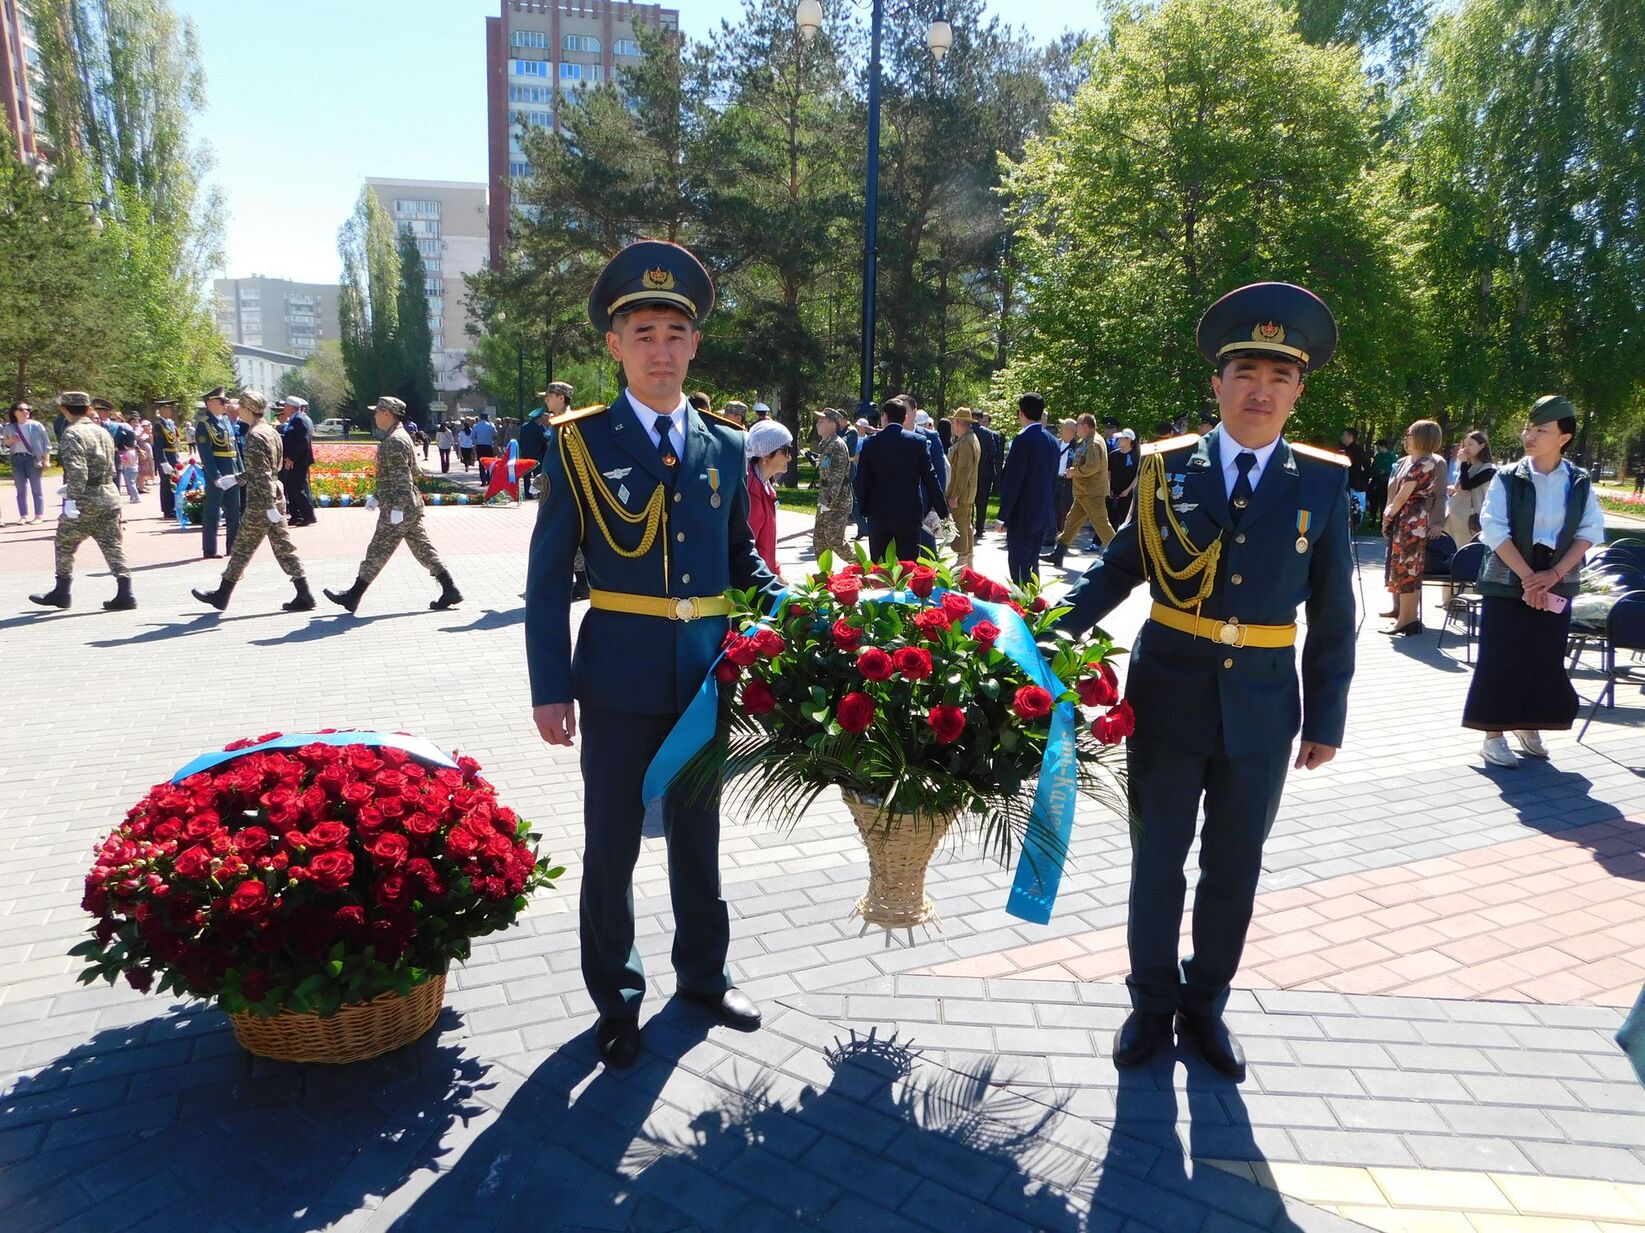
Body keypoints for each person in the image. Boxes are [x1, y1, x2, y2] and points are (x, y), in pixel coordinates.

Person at [1055, 282, 1354, 1081]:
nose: (1260, 390)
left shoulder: (1320, 482)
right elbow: (1116, 572)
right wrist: (1042, 639)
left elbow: (1333, 611)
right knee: (1156, 858)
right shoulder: (1163, 470)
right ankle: (1150, 1004)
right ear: (1216, 384)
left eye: (1279, 376)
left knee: (1234, 866)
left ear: (1297, 391)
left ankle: (1205, 1003)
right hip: (1169, 694)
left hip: (1262, 706)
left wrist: (1326, 715)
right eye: (1245, 372)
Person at [526, 239, 781, 1068]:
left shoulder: (725, 444)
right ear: (614, 345)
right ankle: (617, 996)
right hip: (617, 677)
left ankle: (703, 977)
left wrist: (796, 610)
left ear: (694, 344)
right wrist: (548, 685)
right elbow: (543, 578)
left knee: (699, 836)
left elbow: (741, 558)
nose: (660, 350)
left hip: (704, 676)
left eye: (675, 332)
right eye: (643, 333)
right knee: (612, 844)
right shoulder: (578, 443)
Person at [1464, 396, 1606, 768]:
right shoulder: (1508, 477)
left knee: (1543, 657)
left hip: (1555, 576)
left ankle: (1529, 724)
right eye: (1529, 428)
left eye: (1542, 430)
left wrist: (1553, 576)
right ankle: (1492, 735)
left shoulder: (1578, 481)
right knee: (1499, 656)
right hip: (1510, 574)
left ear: (1564, 437)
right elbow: (1493, 529)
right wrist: (1529, 578)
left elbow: (1590, 531)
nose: (1530, 435)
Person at [324, 396, 462, 613]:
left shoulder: (395, 440)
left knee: (377, 550)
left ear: (387, 413)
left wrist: (397, 508)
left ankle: (353, 596)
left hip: (400, 507)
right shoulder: (399, 436)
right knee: (422, 548)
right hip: (405, 504)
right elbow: (406, 473)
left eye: (377, 411)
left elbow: (402, 477)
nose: (375, 415)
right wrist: (378, 495)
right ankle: (450, 588)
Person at [191, 391, 313, 613]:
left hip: (261, 500)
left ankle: (222, 594)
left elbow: (262, 474)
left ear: (248, 410)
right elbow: (263, 469)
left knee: (242, 548)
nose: (237, 411)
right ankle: (304, 593)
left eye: (241, 408)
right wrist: (236, 480)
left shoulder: (256, 435)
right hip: (274, 493)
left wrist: (267, 506)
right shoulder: (271, 431)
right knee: (283, 547)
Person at [29, 392, 136, 611]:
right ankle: (126, 592)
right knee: (112, 544)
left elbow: (77, 471)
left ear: (65, 410)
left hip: (87, 496)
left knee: (64, 542)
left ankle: (62, 591)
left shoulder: (72, 433)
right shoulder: (102, 431)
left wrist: (71, 499)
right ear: (88, 409)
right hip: (109, 492)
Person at [854, 394, 949, 563]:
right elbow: (931, 478)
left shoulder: (870, 443)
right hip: (909, 513)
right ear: (905, 418)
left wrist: (864, 509)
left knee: (880, 566)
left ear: (884, 417)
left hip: (879, 514)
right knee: (908, 565)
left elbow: (861, 480)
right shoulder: (918, 442)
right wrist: (943, 512)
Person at [1380, 419, 1445, 635]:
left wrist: (1388, 515)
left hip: (1411, 520)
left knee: (1407, 569)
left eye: (1410, 434)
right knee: (1409, 569)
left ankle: (1406, 620)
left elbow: (1402, 496)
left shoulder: (1423, 463)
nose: (1406, 437)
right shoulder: (1416, 461)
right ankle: (1408, 619)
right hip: (1412, 519)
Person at [996, 392, 1060, 585]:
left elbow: (1013, 481)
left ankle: (1022, 607)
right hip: (1043, 513)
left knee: (1018, 564)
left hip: (1022, 514)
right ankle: (1034, 605)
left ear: (1021, 413)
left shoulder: (1022, 440)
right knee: (1032, 564)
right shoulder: (1053, 441)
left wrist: (1002, 516)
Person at [1046, 413, 1115, 567]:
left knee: (1101, 525)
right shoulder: (1088, 441)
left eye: (1077, 425)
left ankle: (1120, 557)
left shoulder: (1094, 443)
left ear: (1085, 426)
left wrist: (1073, 472)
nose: (1076, 428)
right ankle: (1058, 555)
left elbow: (1092, 466)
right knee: (1071, 523)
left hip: (1092, 492)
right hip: (1084, 492)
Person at [195, 388, 242, 558]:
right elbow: (206, 454)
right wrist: (214, 476)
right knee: (213, 512)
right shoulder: (205, 424)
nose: (226, 405)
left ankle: (233, 547)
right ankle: (209, 549)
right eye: (222, 402)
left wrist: (242, 471)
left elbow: (235, 449)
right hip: (219, 474)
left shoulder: (226, 422)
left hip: (232, 472)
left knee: (234, 512)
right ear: (210, 403)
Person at [746, 418, 793, 576]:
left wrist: (776, 570)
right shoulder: (751, 494)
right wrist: (770, 581)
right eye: (786, 451)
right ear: (765, 454)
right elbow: (746, 551)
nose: (790, 458)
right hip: (754, 585)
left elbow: (765, 544)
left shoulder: (764, 486)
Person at [811, 407, 852, 561]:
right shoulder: (826, 444)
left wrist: (826, 503)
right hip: (825, 502)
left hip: (836, 503)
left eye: (823, 420)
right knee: (819, 541)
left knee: (835, 541)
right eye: (818, 420)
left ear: (833, 424)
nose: (818, 423)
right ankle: (824, 577)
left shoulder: (837, 445)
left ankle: (863, 568)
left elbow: (836, 479)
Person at [519, 383, 569, 501]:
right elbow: (544, 442)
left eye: (549, 397)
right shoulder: (547, 426)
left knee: (528, 476)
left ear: (561, 398)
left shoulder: (566, 423)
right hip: (537, 455)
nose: (546, 400)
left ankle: (530, 493)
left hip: (527, 454)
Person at [1445, 430, 1495, 546]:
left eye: (1470, 445)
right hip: (1454, 518)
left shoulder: (1489, 469)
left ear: (1482, 446)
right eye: (1464, 445)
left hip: (1470, 521)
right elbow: (1462, 485)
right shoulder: (1467, 467)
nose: (1466, 448)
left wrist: (1462, 463)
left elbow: (1467, 485)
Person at [945, 407, 981, 569]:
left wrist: (955, 495)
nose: (952, 425)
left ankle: (962, 560)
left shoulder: (966, 442)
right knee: (966, 525)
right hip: (967, 492)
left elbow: (963, 471)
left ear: (959, 423)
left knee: (960, 525)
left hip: (962, 493)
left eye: (954, 422)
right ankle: (968, 561)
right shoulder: (969, 439)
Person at [5, 401, 50, 523]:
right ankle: (23, 516)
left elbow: (46, 445)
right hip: (17, 459)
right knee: (20, 490)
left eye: (27, 409)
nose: (26, 412)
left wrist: (47, 460)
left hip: (33, 459)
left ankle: (38, 516)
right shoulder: (9, 427)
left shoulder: (37, 426)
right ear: (14, 412)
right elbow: (5, 445)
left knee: (36, 488)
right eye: (21, 409)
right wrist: (10, 441)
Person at [278, 396, 317, 526]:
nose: (284, 409)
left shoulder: (299, 420)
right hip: (295, 460)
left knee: (297, 488)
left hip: (298, 461)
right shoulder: (296, 419)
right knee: (292, 487)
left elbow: (303, 442)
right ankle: (295, 516)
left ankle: (308, 516)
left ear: (290, 407)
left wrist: (292, 457)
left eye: (285, 406)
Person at [153, 399, 188, 520]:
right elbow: (158, 445)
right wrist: (163, 462)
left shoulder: (170, 424)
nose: (171, 411)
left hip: (172, 457)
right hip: (166, 457)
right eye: (168, 409)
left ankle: (174, 507)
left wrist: (177, 458)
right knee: (167, 484)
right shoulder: (159, 425)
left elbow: (174, 443)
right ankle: (167, 510)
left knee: (174, 483)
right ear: (162, 410)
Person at [973, 409, 1001, 541]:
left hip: (969, 472)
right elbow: (994, 452)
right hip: (984, 473)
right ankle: (979, 528)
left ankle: (969, 525)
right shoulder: (988, 434)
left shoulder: (967, 432)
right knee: (982, 502)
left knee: (968, 501)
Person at [1051, 418, 1078, 548]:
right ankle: (1052, 534)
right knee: (1052, 508)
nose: (1060, 429)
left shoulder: (1078, 447)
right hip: (1054, 479)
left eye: (1063, 427)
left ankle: (1064, 536)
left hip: (1068, 482)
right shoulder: (1056, 443)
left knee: (1065, 508)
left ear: (1070, 431)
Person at [1340, 427, 1371, 531]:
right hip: (1347, 482)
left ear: (1350, 437)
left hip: (1357, 484)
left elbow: (1361, 468)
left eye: (1344, 435)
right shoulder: (1342, 450)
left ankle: (1355, 525)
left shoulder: (1358, 451)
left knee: (1357, 505)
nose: (1342, 438)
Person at [1108, 428, 1138, 529]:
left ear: (1129, 440)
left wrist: (1128, 490)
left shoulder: (1137, 456)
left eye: (1121, 439)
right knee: (1111, 518)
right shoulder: (1113, 455)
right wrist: (1109, 487)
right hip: (1113, 492)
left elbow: (1137, 475)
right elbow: (1109, 472)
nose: (1118, 441)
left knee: (1125, 519)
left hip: (1128, 493)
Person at [1366, 437, 1397, 524]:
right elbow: (1373, 467)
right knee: (1373, 501)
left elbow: (1395, 469)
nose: (1377, 448)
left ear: (1383, 446)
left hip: (1386, 482)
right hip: (1376, 481)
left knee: (1383, 501)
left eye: (1378, 446)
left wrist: (1385, 471)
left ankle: (1382, 521)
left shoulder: (1392, 456)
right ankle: (1372, 519)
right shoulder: (1377, 456)